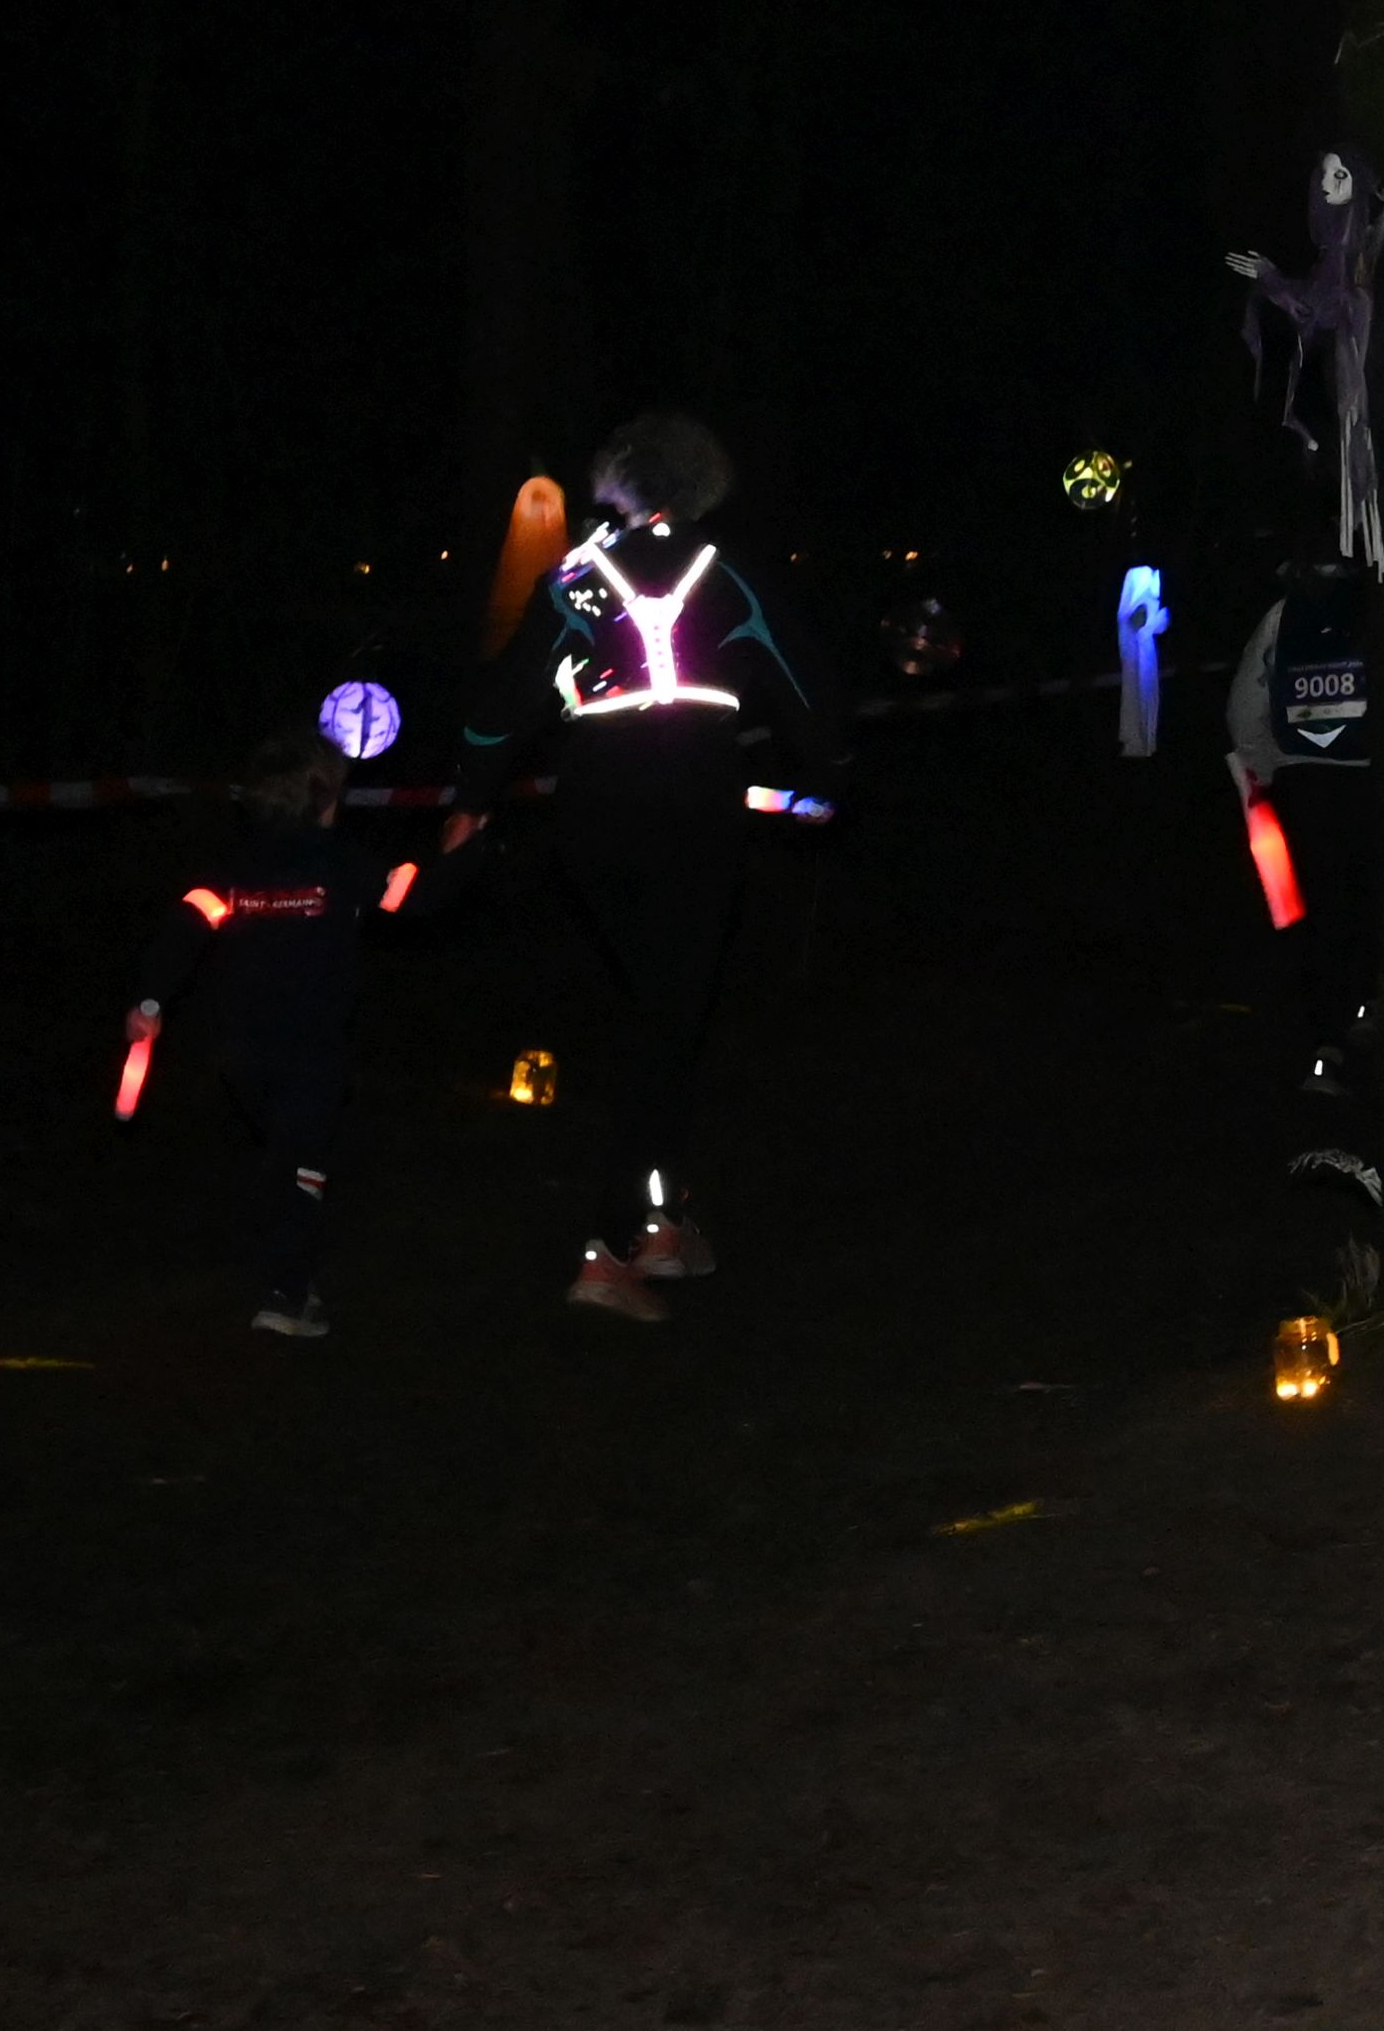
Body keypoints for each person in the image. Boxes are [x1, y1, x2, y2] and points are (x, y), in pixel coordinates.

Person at [451, 410, 850, 1319]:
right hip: (691, 806)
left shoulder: (576, 577)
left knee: (659, 1013)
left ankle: (662, 1222)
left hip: (594, 813)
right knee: (667, 1020)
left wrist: (470, 799)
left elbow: (501, 706)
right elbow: (808, 688)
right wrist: (831, 776)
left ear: (621, 481)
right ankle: (607, 1246)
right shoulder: (730, 572)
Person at [125, 727, 451, 1339]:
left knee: (286, 1158)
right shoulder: (341, 862)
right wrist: (466, 848)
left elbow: (181, 932)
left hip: (242, 1051)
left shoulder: (236, 868)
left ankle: (281, 1266)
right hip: (310, 1051)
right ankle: (286, 1293)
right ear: (327, 799)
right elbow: (413, 898)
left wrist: (149, 1002)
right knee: (303, 1166)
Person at [1222, 531, 1384, 1195]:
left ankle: (1325, 1046)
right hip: (1367, 781)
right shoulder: (1376, 610)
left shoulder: (1281, 616)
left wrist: (1266, 769)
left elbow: (1244, 706)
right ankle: (1365, 1014)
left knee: (1314, 915)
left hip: (1302, 787)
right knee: (1368, 902)